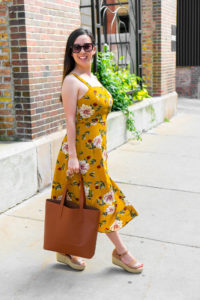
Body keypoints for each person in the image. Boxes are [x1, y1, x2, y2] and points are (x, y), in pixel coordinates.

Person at [51, 27, 143, 273]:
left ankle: (65, 250)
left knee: (77, 201)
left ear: (94, 48)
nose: (82, 51)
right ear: (71, 52)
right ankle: (121, 252)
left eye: (86, 46)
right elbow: (70, 120)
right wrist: (72, 156)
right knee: (102, 200)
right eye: (77, 47)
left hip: (96, 153)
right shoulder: (71, 81)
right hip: (79, 155)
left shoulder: (93, 78)